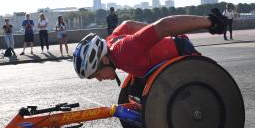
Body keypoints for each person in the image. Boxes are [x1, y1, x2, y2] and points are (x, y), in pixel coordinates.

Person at [73, 8, 227, 85]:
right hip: (164, 60)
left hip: (182, 53)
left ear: (105, 60)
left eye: (96, 75)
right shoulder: (111, 41)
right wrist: (152, 40)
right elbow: (128, 25)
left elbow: (164, 25)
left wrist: (210, 22)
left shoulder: (125, 51)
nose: (99, 80)